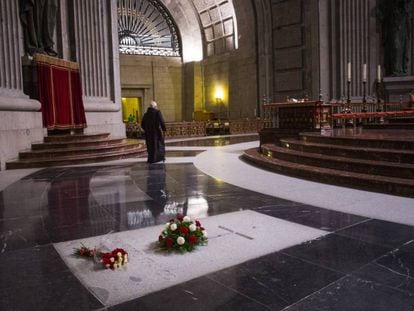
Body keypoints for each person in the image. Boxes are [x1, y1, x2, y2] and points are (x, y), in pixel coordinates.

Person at [377, 0, 414, 76]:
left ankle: (401, 69)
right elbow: (380, 13)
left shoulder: (406, 5)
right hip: (393, 27)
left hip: (403, 26)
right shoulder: (389, 4)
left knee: (403, 48)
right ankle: (395, 69)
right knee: (395, 46)